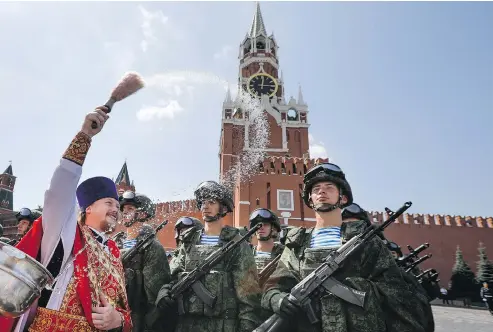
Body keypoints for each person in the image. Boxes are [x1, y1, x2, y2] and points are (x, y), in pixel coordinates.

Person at [0, 108, 132, 332]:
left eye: (118, 206)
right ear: (88, 208)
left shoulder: (115, 254)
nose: (115, 210)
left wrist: (117, 320)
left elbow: (123, 310)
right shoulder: (66, 235)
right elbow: (59, 192)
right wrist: (84, 137)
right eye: (109, 203)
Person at [262, 162, 432, 332]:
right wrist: (278, 300)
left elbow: (397, 293)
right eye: (316, 189)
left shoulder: (365, 241)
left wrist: (355, 288)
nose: (321, 191)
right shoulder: (296, 244)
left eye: (329, 187)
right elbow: (272, 286)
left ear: (342, 197)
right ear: (310, 199)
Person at [155, 180, 261, 332]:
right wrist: (164, 292)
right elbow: (173, 275)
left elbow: (249, 296)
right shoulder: (188, 241)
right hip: (186, 325)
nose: (205, 206)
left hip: (222, 326)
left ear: (223, 207)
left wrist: (247, 328)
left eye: (211, 202)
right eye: (203, 202)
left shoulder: (236, 244)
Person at [119, 190, 171, 332]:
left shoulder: (152, 247)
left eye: (130, 209)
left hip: (138, 320)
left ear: (142, 214)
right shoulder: (114, 244)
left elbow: (155, 296)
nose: (125, 212)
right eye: (123, 209)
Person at [248, 208, 284, 279]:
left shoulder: (284, 254)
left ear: (273, 228)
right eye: (258, 225)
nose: (261, 228)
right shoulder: (247, 253)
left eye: (266, 224)